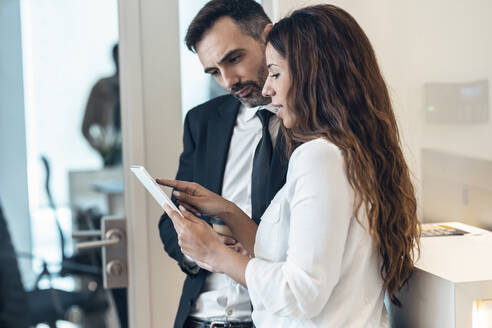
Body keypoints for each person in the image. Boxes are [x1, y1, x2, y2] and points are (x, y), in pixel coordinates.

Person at [159, 4, 420, 327]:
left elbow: (301, 292)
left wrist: (217, 254)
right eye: (213, 72)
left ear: (314, 74)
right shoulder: (348, 152)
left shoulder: (318, 156)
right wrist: (227, 211)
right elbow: (293, 252)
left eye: (276, 73)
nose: (268, 88)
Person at [157, 1, 288, 327]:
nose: (228, 80)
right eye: (214, 71)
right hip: (199, 317)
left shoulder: (310, 124)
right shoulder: (202, 122)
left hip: (269, 315)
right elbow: (169, 222)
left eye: (234, 59)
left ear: (267, 37)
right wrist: (198, 249)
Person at [81, 44, 122, 166]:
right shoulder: (102, 87)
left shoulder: (136, 85)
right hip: (110, 153)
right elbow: (85, 127)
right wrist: (101, 149)